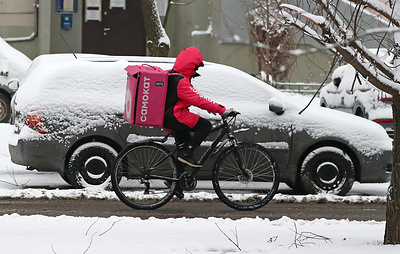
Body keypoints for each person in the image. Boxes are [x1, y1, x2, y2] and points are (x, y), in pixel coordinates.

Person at [163, 47, 233, 168]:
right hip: (175, 116)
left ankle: (177, 183)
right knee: (205, 126)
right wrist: (221, 109)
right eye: (197, 66)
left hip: (169, 116)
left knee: (184, 147)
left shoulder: (173, 75)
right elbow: (197, 99)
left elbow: (191, 98)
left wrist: (210, 108)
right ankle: (187, 153)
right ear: (190, 64)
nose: (197, 69)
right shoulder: (180, 81)